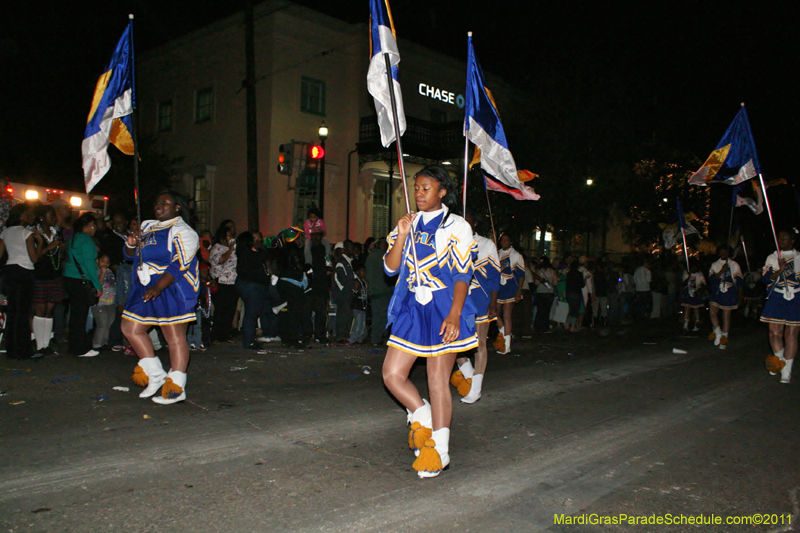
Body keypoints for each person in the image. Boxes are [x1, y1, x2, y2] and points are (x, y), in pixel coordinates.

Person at [382, 166, 478, 478]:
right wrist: (402, 235)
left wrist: (454, 314)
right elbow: (390, 268)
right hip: (412, 307)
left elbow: (463, 275)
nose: (419, 193)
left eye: (426, 188)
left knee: (438, 380)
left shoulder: (457, 225)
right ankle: (422, 414)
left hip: (444, 307)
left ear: (442, 192)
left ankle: (440, 450)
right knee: (391, 374)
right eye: (417, 188)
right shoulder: (408, 222)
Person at [123, 191, 199, 404]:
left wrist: (159, 287)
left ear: (177, 207)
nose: (159, 206)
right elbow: (130, 256)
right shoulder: (147, 226)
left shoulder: (184, 231)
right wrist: (131, 244)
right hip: (145, 285)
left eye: (165, 203)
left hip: (171, 287)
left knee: (174, 336)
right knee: (130, 328)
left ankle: (176, 387)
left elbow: (179, 265)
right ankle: (155, 374)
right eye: (157, 202)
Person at [451, 210, 499, 404]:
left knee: (479, 344)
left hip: (480, 299)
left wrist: (493, 301)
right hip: (458, 301)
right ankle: (471, 378)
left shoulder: (486, 244)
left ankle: (475, 389)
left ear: (475, 224)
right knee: (454, 345)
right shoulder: (451, 242)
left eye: (468, 220)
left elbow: (494, 276)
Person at [0, 203, 44, 359]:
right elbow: (34, 258)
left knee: (13, 311)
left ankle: (12, 349)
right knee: (24, 312)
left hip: (10, 271)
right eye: (30, 214)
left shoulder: (5, 232)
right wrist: (40, 243)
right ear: (22, 216)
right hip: (24, 272)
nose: (33, 216)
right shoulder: (26, 233)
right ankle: (24, 350)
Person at [760, 229, 800, 384]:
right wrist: (780, 270)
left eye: (784, 237)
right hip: (777, 296)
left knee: (791, 334)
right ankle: (780, 360)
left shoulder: (798, 258)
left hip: (795, 297)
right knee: (774, 333)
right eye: (779, 237)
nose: (781, 240)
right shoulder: (772, 257)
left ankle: (787, 370)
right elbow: (766, 279)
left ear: (792, 240)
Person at [63, 212, 103, 357]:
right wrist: (97, 285)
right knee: (80, 315)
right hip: (80, 279)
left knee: (75, 314)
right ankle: (80, 348)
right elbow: (89, 265)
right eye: (94, 225)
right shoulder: (87, 240)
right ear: (89, 225)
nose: (95, 228)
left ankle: (74, 345)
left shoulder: (73, 238)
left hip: (69, 277)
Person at [31, 203, 66, 356]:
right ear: (41, 218)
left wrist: (61, 249)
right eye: (51, 216)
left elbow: (61, 256)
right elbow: (34, 257)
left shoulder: (56, 233)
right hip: (39, 276)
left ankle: (46, 344)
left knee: (49, 310)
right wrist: (49, 247)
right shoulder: (33, 234)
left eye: (54, 216)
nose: (54, 219)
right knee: (40, 310)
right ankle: (39, 345)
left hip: (54, 275)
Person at [234, 231, 272, 348]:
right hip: (251, 285)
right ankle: (248, 341)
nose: (259, 240)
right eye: (255, 239)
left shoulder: (249, 253)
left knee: (253, 312)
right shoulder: (249, 254)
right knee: (251, 313)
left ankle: (250, 339)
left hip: (251, 285)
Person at [707, 245, 744, 350]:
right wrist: (722, 270)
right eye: (721, 252)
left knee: (726, 315)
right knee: (712, 312)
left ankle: (724, 337)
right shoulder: (715, 265)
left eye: (725, 252)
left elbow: (739, 281)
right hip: (716, 292)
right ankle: (718, 332)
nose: (723, 254)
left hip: (729, 293)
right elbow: (711, 279)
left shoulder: (734, 264)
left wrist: (740, 296)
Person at [209, 220, 238, 344]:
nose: (231, 238)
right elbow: (220, 260)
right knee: (221, 310)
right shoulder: (217, 247)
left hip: (232, 282)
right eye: (229, 236)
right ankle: (216, 336)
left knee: (230, 310)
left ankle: (225, 335)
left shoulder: (232, 248)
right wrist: (230, 249)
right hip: (221, 282)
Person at [495, 233, 524, 354]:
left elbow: (521, 275)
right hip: (499, 287)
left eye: (506, 240)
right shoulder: (497, 253)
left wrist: (518, 291)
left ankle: (506, 345)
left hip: (511, 287)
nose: (503, 242)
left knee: (507, 315)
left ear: (511, 242)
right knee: (494, 312)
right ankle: (504, 332)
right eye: (502, 240)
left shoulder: (516, 255)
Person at [366, 237, 392, 346]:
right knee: (381, 317)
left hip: (375, 291)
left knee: (379, 316)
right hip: (381, 291)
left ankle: (377, 338)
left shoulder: (371, 256)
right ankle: (377, 338)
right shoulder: (381, 256)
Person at [307, 229, 331, 343]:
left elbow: (329, 263)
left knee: (321, 311)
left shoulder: (324, 249)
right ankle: (307, 334)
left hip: (321, 284)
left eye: (318, 235)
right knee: (307, 311)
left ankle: (319, 334)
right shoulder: (308, 249)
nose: (316, 238)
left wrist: (327, 270)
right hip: (310, 284)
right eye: (314, 235)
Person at [92, 252, 116, 349]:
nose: (105, 264)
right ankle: (97, 344)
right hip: (100, 303)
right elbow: (98, 284)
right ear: (97, 261)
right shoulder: (95, 271)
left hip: (111, 302)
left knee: (108, 324)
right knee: (102, 324)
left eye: (107, 262)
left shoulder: (110, 272)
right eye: (102, 261)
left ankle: (104, 343)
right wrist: (102, 272)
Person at [332, 240, 355, 343]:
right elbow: (341, 279)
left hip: (346, 293)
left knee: (347, 315)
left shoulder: (347, 262)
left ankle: (344, 336)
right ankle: (341, 337)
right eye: (350, 247)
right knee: (343, 315)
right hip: (343, 294)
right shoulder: (342, 263)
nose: (352, 249)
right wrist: (351, 285)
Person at [533, 256, 557, 333]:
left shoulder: (539, 271)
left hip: (540, 292)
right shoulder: (552, 271)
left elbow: (536, 283)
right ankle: (545, 327)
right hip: (549, 293)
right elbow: (555, 283)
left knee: (540, 310)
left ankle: (538, 327)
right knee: (547, 311)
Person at [681, 260, 706, 333]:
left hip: (696, 293)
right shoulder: (686, 273)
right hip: (688, 293)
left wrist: (698, 290)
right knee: (687, 308)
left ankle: (696, 325)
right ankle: (685, 325)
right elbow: (683, 284)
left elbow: (704, 285)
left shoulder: (699, 274)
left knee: (696, 309)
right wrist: (688, 277)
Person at [349, 265, 369, 344]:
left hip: (363, 304)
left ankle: (359, 338)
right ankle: (353, 338)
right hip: (357, 304)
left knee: (362, 323)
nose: (364, 273)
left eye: (364, 272)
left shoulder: (365, 282)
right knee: (357, 322)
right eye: (362, 271)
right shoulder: (357, 282)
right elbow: (353, 293)